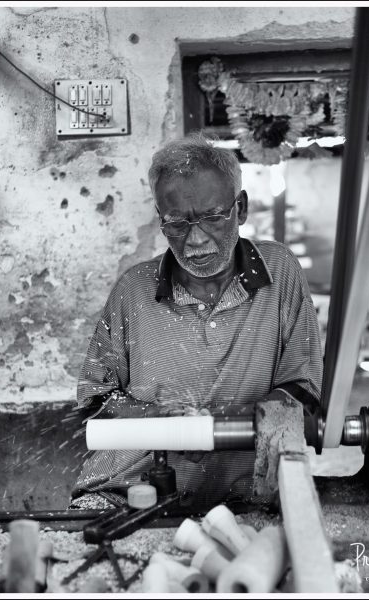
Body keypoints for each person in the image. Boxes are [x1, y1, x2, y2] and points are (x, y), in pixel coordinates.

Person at [70, 134, 323, 510]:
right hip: (128, 490)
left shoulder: (279, 272)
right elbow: (94, 400)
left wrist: (221, 426)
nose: (196, 239)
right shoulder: (134, 289)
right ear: (161, 220)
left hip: (244, 494)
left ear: (241, 207)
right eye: (177, 223)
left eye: (212, 217)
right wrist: (164, 421)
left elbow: (302, 386)